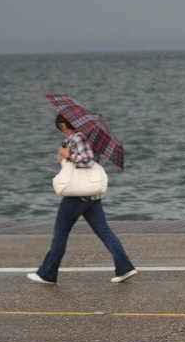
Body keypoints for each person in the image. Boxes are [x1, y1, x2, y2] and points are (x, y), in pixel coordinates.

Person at [27, 113, 138, 285]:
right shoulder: (80, 139)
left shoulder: (79, 138)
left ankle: (48, 273)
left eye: (60, 128)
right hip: (91, 196)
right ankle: (124, 267)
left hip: (78, 196)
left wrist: (69, 156)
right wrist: (64, 156)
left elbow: (88, 161)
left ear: (63, 125)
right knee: (104, 232)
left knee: (60, 233)